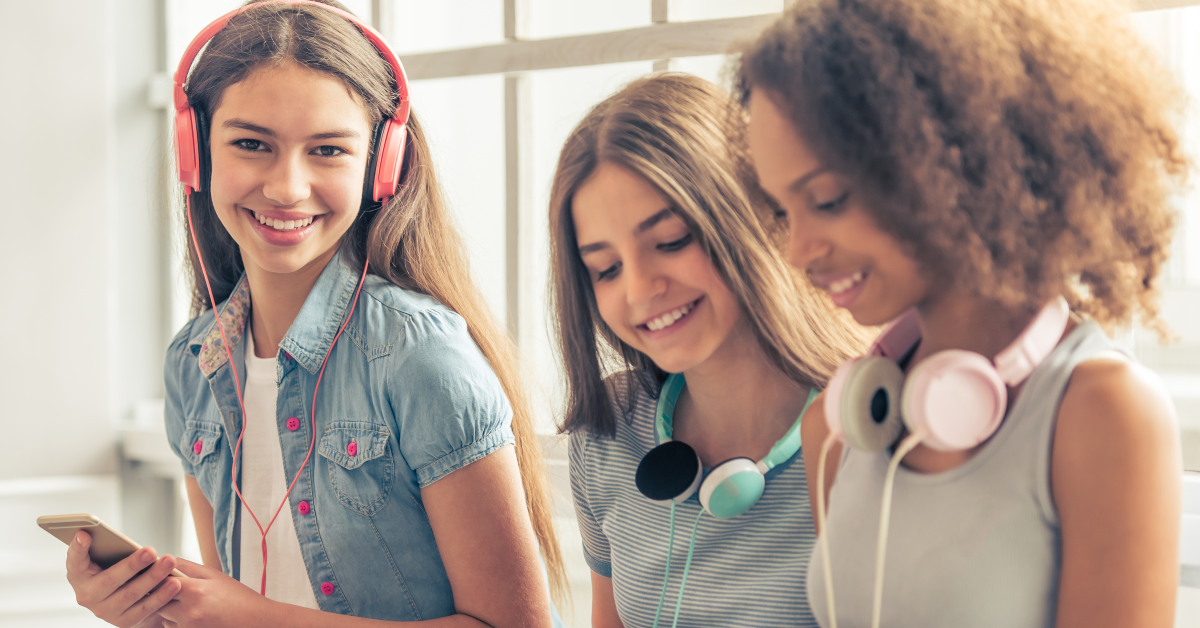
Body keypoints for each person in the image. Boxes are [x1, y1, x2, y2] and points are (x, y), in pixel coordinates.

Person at [64, 1, 564, 626]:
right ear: (196, 153)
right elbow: (231, 609)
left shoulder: (417, 355)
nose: (287, 188)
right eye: (251, 144)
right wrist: (150, 610)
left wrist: (255, 616)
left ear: (381, 167)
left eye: (327, 150)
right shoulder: (194, 364)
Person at [737, 0, 1188, 626]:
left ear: (954, 159)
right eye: (785, 210)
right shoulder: (843, 427)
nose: (798, 249)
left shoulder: (1103, 413)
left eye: (828, 199)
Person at [549, 73, 872, 628]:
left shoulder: (873, 431)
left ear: (749, 220)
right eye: (606, 268)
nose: (639, 289)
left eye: (671, 241)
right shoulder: (610, 435)